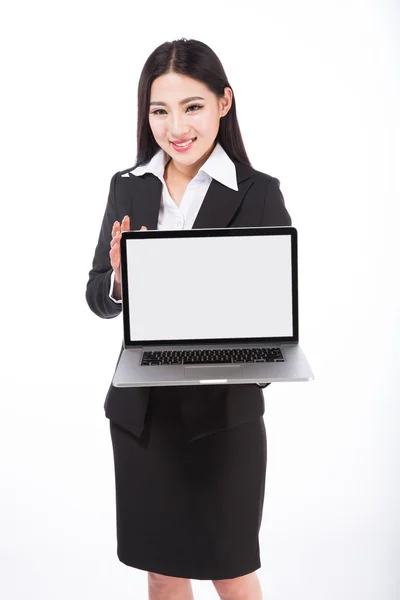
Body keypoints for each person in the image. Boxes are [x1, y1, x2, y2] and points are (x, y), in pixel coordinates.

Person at [86, 38, 292, 600]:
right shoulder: (127, 186)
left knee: (230, 566)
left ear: (224, 103)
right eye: (159, 110)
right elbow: (98, 297)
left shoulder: (258, 194)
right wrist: (123, 279)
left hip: (223, 416)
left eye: (192, 106)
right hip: (143, 415)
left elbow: (275, 326)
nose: (175, 125)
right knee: (162, 569)